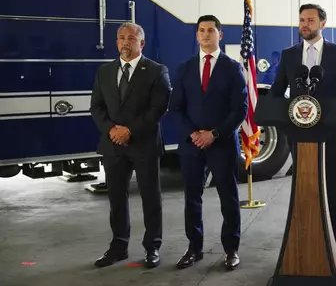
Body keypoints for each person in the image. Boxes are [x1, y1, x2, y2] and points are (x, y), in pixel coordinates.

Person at [269, 3, 336, 273]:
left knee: (333, 191)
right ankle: (300, 247)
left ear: (322, 23)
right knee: (304, 191)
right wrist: (277, 110)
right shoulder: (289, 55)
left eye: (310, 20)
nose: (304, 25)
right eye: (301, 20)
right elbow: (277, 91)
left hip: (330, 134)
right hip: (298, 135)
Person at [89, 22, 171, 268]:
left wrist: (130, 130)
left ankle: (152, 247)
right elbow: (96, 107)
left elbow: (158, 108)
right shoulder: (104, 71)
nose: (126, 42)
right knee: (116, 198)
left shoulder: (156, 71)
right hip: (113, 145)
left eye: (131, 38)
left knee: (150, 197)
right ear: (116, 42)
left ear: (141, 43)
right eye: (121, 38)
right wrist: (112, 130)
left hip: (144, 144)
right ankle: (118, 246)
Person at [170, 14, 248, 271]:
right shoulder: (184, 68)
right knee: (192, 198)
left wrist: (213, 134)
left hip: (222, 144)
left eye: (211, 30)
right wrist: (194, 133)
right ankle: (194, 248)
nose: (206, 34)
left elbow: (240, 109)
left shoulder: (233, 68)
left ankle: (231, 250)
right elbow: (177, 107)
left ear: (220, 35)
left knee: (229, 198)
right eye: (201, 30)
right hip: (192, 145)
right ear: (197, 35)